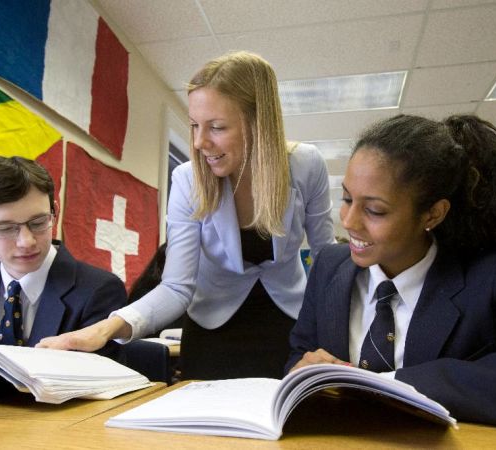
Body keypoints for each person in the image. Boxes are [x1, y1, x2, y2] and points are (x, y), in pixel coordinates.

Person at [286, 114, 496, 434]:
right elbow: (300, 353)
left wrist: (387, 386)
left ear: (433, 213)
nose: (348, 222)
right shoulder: (328, 267)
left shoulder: (490, 277)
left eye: (374, 210)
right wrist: (304, 370)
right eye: (347, 198)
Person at [38, 51, 335, 380]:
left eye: (217, 127)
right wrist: (105, 329)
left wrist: (334, 333)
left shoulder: (306, 165)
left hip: (287, 322)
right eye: (194, 125)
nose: (199, 142)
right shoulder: (187, 180)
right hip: (212, 326)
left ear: (259, 123)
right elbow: (176, 287)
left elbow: (328, 261)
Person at [0, 156, 127, 370]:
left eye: (38, 222)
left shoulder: (99, 290)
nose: (27, 242)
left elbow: (96, 389)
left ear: (55, 213)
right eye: (5, 228)